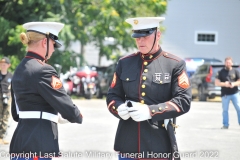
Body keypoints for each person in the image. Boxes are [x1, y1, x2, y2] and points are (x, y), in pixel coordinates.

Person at [106, 17, 191, 160]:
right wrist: (118, 108)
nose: (140, 41)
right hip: (128, 144)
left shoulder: (174, 64)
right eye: (137, 37)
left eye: (145, 36)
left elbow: (183, 101)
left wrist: (150, 111)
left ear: (158, 35)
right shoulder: (125, 63)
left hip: (158, 144)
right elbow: (112, 95)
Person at [10, 22, 83, 160]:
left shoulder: (18, 70)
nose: (54, 50)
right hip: (38, 145)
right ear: (45, 42)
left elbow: (16, 114)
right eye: (53, 44)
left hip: (19, 144)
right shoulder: (44, 70)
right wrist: (77, 115)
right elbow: (65, 104)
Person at [215, 57, 240, 129]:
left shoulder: (236, 71)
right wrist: (224, 84)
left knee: (239, 108)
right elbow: (216, 83)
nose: (228, 64)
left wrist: (234, 84)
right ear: (224, 63)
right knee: (225, 110)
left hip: (235, 93)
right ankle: (225, 125)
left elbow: (239, 81)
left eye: (229, 62)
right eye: (227, 62)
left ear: (232, 63)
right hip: (225, 94)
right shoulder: (220, 72)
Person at [0, 57, 13, 145]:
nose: (3, 65)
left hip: (7, 98)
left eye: (5, 64)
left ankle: (1, 137)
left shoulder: (11, 76)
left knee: (5, 118)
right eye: (1, 64)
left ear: (9, 65)